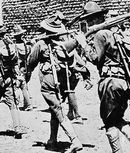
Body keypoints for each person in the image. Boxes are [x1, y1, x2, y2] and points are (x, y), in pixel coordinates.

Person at [79, 1, 130, 153]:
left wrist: (83, 45)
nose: (88, 24)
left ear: (95, 20)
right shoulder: (116, 33)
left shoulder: (101, 34)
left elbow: (96, 59)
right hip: (123, 82)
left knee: (108, 122)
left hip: (110, 82)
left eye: (89, 21)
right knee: (116, 117)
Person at [27, 15, 87, 153]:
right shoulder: (64, 43)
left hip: (48, 80)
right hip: (62, 80)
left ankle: (74, 139)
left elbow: (31, 62)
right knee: (55, 109)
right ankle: (52, 140)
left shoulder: (41, 44)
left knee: (57, 109)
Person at [12, 25, 33, 111]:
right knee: (25, 86)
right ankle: (28, 104)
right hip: (26, 68)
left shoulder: (14, 46)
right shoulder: (27, 46)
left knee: (16, 86)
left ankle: (16, 104)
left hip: (17, 67)